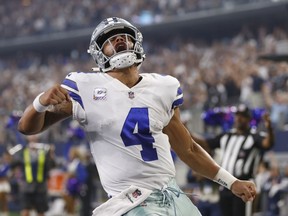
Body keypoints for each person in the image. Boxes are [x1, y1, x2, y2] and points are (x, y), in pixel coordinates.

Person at [18, 17, 257, 216]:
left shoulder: (163, 87)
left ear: (137, 43)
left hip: (172, 196)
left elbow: (189, 150)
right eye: (110, 40)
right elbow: (27, 128)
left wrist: (231, 181)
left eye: (123, 36)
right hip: (129, 203)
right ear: (100, 53)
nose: (119, 40)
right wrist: (39, 103)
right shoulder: (84, 86)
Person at [191, 104, 274, 216]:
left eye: (242, 116)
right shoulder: (226, 136)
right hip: (226, 184)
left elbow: (267, 144)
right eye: (237, 115)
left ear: (249, 119)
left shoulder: (254, 137)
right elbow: (206, 143)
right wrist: (187, 133)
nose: (239, 118)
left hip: (245, 183)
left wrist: (269, 128)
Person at [11, 135, 55, 216]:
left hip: (40, 187)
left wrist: (51, 155)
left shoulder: (44, 151)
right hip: (26, 187)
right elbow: (14, 164)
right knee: (25, 211)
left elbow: (51, 166)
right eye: (31, 135)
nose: (33, 137)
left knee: (40, 212)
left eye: (35, 135)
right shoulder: (23, 151)